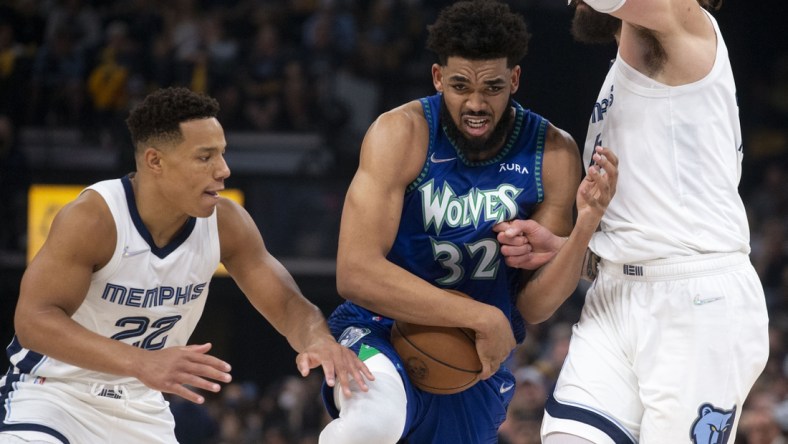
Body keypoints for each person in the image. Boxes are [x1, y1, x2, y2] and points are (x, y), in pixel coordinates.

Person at [0, 86, 373, 444]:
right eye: (205, 157)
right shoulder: (95, 218)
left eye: (223, 154)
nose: (224, 169)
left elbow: (289, 305)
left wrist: (318, 340)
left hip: (140, 407)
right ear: (155, 161)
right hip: (55, 395)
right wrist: (142, 362)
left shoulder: (226, 223)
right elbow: (34, 321)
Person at [318, 1, 618, 443]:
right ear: (438, 77)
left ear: (514, 80)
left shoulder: (551, 152)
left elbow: (536, 305)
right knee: (367, 424)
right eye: (460, 86)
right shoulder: (400, 133)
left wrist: (585, 225)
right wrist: (481, 315)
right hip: (380, 324)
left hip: (475, 358)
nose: (476, 104)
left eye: (493, 87)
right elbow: (355, 271)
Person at [512, 1, 770, 443]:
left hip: (697, 307)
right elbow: (645, 235)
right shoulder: (625, 75)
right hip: (615, 295)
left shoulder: (689, 23)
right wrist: (568, 250)